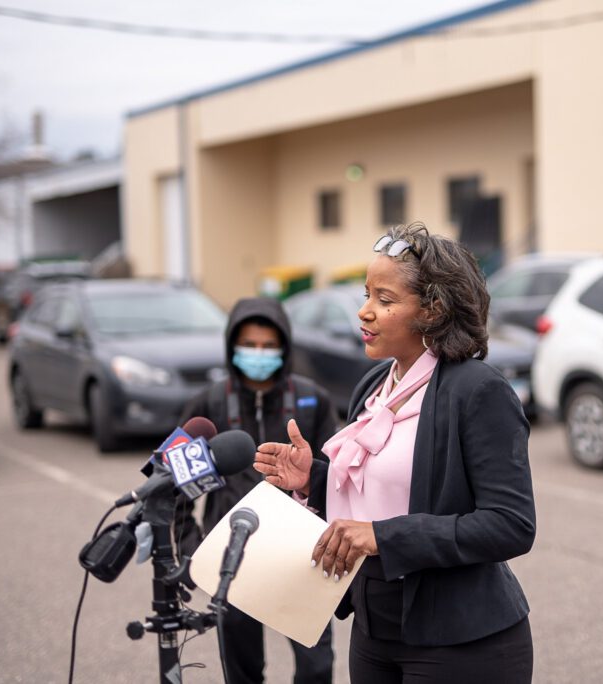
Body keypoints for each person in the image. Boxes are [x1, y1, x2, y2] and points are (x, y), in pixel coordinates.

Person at [254, 223, 536, 683]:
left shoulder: (478, 390)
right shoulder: (374, 386)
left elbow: (511, 525)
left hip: (460, 641)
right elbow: (377, 497)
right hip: (374, 628)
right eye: (367, 296)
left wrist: (384, 537)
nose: (364, 313)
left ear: (434, 310)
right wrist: (314, 480)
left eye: (385, 301)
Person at [174, 296, 338, 684]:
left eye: (268, 346)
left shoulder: (312, 399)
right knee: (242, 671)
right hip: (232, 560)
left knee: (317, 668)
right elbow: (177, 488)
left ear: (284, 347)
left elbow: (335, 479)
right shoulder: (207, 403)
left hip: (302, 559)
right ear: (232, 347)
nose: (258, 354)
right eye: (249, 345)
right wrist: (193, 549)